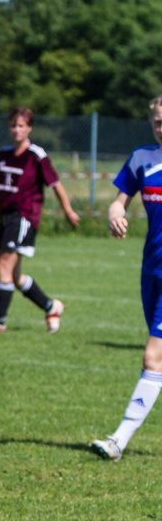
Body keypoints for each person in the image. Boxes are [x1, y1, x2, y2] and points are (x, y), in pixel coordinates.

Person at [0, 107, 80, 333]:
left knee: (4, 264)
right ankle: (51, 306)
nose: (17, 130)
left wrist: (68, 211)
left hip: (25, 216)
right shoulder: (3, 154)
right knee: (13, 276)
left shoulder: (37, 156)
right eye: (13, 125)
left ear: (30, 128)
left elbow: (56, 185)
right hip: (5, 217)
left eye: (21, 126)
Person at [89, 96, 162, 461]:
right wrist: (115, 213)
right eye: (158, 122)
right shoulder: (142, 159)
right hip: (152, 269)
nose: (161, 128)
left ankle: (119, 440)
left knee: (154, 356)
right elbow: (120, 200)